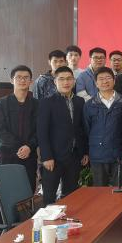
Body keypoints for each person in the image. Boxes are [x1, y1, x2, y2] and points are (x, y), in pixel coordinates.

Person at [37, 66, 88, 205]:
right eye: (62, 79)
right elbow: (42, 131)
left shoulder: (79, 101)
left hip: (74, 156)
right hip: (53, 158)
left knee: (71, 195)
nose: (66, 82)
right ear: (55, 82)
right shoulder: (47, 102)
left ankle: (68, 219)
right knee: (49, 196)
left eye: (69, 79)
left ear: (74, 81)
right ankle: (48, 219)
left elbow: (81, 129)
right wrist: (46, 156)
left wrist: (84, 152)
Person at [0, 65, 39, 194]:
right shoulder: (0, 104)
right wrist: (20, 147)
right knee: (7, 193)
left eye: (26, 77)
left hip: (29, 156)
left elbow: (40, 130)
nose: (22, 80)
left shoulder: (37, 105)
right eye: (19, 77)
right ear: (12, 80)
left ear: (31, 81)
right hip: (8, 155)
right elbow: (0, 132)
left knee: (28, 191)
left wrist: (29, 147)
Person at [83, 67, 122, 187]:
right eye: (101, 79)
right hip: (98, 154)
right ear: (96, 83)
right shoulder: (89, 105)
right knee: (99, 192)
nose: (105, 81)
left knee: (120, 191)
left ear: (114, 80)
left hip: (119, 153)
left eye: (108, 78)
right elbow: (86, 129)